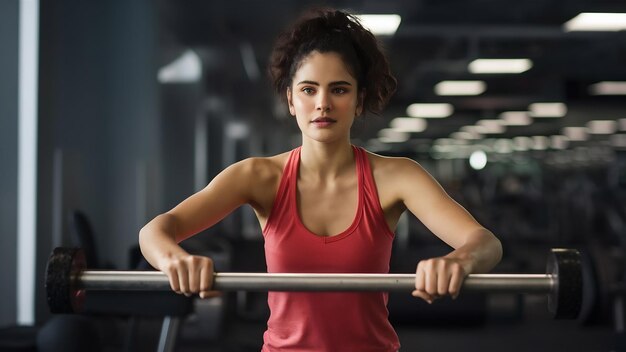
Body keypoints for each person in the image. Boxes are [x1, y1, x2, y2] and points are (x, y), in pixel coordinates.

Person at [139, 8, 502, 352]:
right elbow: (156, 231)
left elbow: (484, 242)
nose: (323, 103)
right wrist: (176, 261)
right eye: (309, 90)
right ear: (291, 100)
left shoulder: (397, 177)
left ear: (359, 101)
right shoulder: (258, 176)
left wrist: (458, 262)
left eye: (339, 89)